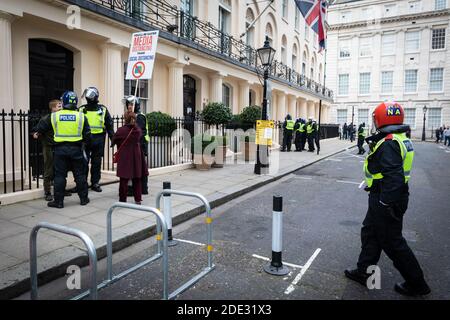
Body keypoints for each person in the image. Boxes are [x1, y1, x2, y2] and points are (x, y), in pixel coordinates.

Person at [345, 101, 430, 297]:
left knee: (392, 242)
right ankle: (364, 271)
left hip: (387, 199)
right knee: (370, 233)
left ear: (382, 119)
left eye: (375, 118)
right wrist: (374, 185)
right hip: (384, 194)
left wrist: (385, 203)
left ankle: (417, 283)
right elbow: (387, 172)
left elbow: (394, 176)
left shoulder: (390, 142)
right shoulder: (399, 138)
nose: (374, 122)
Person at [34, 91, 91, 208]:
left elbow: (40, 127)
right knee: (80, 175)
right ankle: (84, 199)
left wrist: (37, 132)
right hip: (76, 149)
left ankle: (58, 202)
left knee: (59, 176)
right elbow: (87, 136)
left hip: (60, 150)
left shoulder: (54, 116)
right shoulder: (81, 116)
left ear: (63, 102)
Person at [78, 87, 115, 192]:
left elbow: (109, 125)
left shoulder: (102, 109)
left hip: (98, 140)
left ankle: (95, 183)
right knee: (83, 163)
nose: (87, 99)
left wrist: (113, 138)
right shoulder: (81, 109)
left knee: (96, 163)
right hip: (85, 140)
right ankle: (82, 183)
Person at [112, 111, 148, 204]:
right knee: (137, 178)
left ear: (125, 119)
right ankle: (138, 199)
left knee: (124, 179)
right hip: (136, 156)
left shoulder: (121, 130)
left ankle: (123, 200)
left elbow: (113, 140)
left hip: (125, 157)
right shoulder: (137, 130)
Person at [32, 100, 64, 201]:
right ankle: (47, 191)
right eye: (59, 107)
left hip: (59, 146)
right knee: (49, 169)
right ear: (53, 108)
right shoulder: (47, 118)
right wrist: (36, 133)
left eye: (61, 106)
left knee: (61, 169)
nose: (61, 108)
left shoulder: (61, 118)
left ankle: (60, 189)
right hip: (49, 147)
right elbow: (37, 129)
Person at [125, 96, 149, 195]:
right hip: (134, 146)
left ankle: (141, 188)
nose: (129, 106)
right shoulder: (131, 116)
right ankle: (136, 188)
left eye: (131, 104)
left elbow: (140, 132)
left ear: (136, 105)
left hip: (140, 146)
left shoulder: (139, 116)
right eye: (128, 104)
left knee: (139, 168)